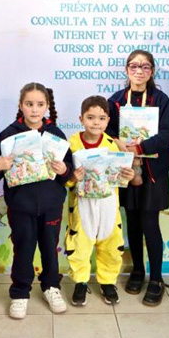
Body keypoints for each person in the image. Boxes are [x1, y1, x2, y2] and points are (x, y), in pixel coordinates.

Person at [0, 83, 72, 319]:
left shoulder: (56, 134)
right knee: (23, 249)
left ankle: (51, 287)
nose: (35, 110)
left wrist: (64, 168)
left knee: (49, 248)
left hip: (51, 204)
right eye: (29, 104)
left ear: (47, 106)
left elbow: (69, 170)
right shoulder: (8, 134)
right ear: (20, 105)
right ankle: (20, 293)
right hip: (20, 205)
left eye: (40, 104)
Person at [107, 49, 169, 306]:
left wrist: (139, 146)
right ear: (126, 70)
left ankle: (156, 278)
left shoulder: (161, 99)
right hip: (126, 171)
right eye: (134, 66)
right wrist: (119, 143)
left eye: (145, 66)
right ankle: (137, 270)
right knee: (132, 223)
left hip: (153, 172)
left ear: (152, 71)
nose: (139, 70)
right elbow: (108, 131)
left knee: (149, 223)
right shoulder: (115, 101)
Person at [65, 96, 135, 306]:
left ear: (108, 120)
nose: (96, 122)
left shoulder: (113, 145)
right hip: (82, 204)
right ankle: (81, 282)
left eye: (101, 118)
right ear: (81, 118)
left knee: (111, 243)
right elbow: (63, 177)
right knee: (80, 243)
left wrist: (128, 176)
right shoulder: (71, 144)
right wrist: (71, 179)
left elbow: (120, 175)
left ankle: (107, 281)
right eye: (91, 117)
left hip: (108, 203)